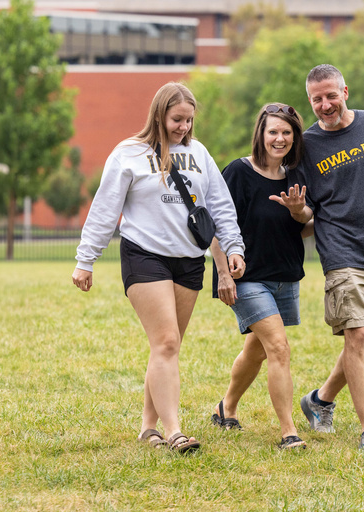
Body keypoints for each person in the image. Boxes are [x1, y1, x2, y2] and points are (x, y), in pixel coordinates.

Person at [72, 82, 246, 454]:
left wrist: (233, 248)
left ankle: (148, 427)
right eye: (176, 119)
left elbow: (219, 205)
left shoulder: (198, 153)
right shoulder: (129, 153)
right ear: (159, 114)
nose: (183, 127)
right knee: (166, 341)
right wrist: (86, 259)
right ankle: (174, 431)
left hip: (189, 260)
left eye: (188, 120)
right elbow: (105, 208)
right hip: (144, 255)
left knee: (166, 347)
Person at [271, 64, 364, 453]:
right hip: (342, 252)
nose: (324, 104)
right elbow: (306, 216)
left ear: (345, 91)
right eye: (316, 98)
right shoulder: (306, 147)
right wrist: (298, 211)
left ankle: (320, 400)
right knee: (358, 335)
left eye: (331, 95)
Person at [209, 103, 312, 450]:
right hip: (248, 277)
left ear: (294, 137)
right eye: (273, 132)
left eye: (286, 132)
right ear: (261, 134)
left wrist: (300, 213)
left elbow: (307, 226)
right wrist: (223, 272)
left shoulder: (296, 175)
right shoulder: (239, 172)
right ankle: (288, 432)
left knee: (257, 350)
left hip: (285, 275)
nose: (279, 138)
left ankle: (226, 408)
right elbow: (213, 223)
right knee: (278, 348)